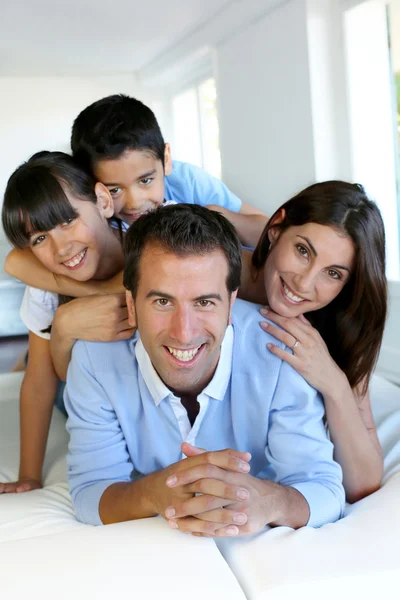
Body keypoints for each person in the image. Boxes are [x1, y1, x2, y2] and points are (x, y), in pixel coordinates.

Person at [64, 203, 344, 535]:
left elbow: (324, 490)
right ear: (131, 304)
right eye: (163, 301)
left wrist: (269, 501)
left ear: (231, 304)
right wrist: (151, 493)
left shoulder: (281, 354)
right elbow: (89, 490)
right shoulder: (93, 359)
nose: (184, 332)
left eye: (205, 302)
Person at [4, 94, 268, 292]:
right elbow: (15, 262)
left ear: (166, 159)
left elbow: (265, 233)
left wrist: (215, 217)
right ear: (97, 191)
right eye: (114, 189)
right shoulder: (93, 223)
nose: (135, 202)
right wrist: (98, 293)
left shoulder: (187, 181)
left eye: (146, 180)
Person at [239, 181, 387, 503]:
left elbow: (363, 482)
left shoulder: (341, 326)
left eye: (333, 274)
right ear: (276, 228)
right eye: (303, 251)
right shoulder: (212, 270)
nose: (304, 283)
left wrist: (332, 381)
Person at [0, 151, 135, 495]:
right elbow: (40, 384)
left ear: (103, 201)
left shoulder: (148, 242)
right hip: (70, 374)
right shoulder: (45, 286)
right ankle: (28, 355)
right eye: (40, 239)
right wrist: (28, 476)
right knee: (43, 369)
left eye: (67, 221)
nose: (61, 248)